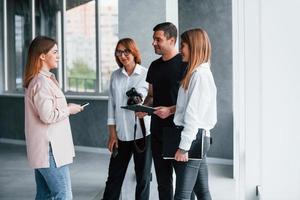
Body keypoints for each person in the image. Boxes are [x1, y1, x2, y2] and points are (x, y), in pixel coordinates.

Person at [24, 36, 83, 200]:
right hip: (50, 150)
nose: (58, 56)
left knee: (45, 195)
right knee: (63, 195)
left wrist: (65, 108)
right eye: (55, 52)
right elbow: (48, 115)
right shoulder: (41, 82)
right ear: (42, 55)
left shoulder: (42, 80)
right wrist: (69, 109)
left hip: (46, 150)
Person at [137, 22, 187, 200]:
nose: (153, 43)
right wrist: (144, 107)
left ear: (172, 40)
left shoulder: (185, 64)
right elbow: (151, 95)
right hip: (157, 132)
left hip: (179, 133)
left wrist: (171, 110)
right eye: (153, 39)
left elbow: (190, 102)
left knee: (184, 186)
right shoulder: (154, 66)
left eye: (158, 39)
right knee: (163, 183)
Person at [102, 38, 152, 200]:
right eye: (119, 52)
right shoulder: (115, 76)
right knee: (114, 177)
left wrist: (142, 105)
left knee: (143, 178)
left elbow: (153, 100)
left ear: (134, 52)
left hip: (142, 136)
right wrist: (112, 134)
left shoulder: (146, 74)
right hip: (121, 135)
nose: (122, 56)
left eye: (126, 51)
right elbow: (112, 106)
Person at [171, 28, 217, 199]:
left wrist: (183, 148)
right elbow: (191, 108)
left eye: (182, 45)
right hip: (198, 138)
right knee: (202, 191)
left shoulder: (200, 75)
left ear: (194, 47)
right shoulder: (199, 73)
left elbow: (193, 116)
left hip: (193, 138)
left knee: (182, 195)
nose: (180, 50)